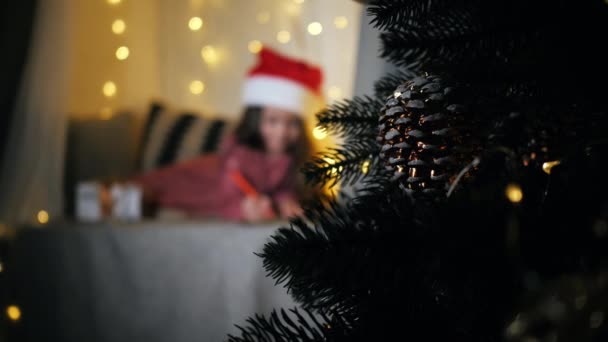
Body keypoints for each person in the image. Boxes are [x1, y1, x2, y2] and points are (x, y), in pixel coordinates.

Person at [133, 47, 323, 222]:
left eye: (291, 124)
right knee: (157, 186)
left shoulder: (294, 157)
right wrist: (243, 210)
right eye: (272, 121)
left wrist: (286, 202)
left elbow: (281, 188)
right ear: (256, 121)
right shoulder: (240, 153)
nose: (281, 132)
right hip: (209, 178)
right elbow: (226, 197)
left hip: (223, 183)